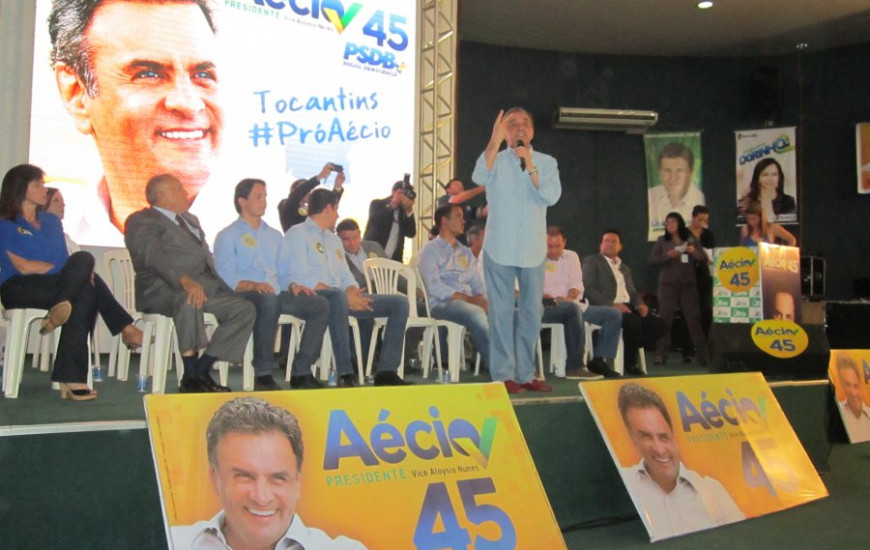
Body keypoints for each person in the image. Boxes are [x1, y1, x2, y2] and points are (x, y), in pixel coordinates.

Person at [48, 0, 222, 245]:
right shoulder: (55, 227)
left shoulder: (225, 230)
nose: (189, 104)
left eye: (202, 75)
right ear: (76, 93)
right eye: (149, 74)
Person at [0, 164, 142, 401]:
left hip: (54, 285)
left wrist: (68, 272)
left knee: (83, 262)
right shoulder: (5, 224)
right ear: (19, 189)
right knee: (83, 286)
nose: (43, 189)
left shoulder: (51, 221)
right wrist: (68, 273)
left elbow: (64, 261)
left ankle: (61, 308)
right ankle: (73, 375)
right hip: (19, 287)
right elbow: (24, 266)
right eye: (37, 184)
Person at [171, 396, 367, 550]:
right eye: (245, 476)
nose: (261, 497)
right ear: (215, 478)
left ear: (297, 483)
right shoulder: (172, 542)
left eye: (278, 478)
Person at [125, 174, 255, 393]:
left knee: (244, 309)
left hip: (203, 286)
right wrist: (184, 281)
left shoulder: (190, 219)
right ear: (162, 196)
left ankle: (199, 370)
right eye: (178, 189)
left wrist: (223, 286)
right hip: (161, 288)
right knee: (188, 299)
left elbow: (205, 258)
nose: (185, 193)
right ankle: (191, 374)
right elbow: (153, 256)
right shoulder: (142, 220)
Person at [278, 189, 412, 386]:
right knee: (336, 297)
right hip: (315, 297)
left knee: (399, 303)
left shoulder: (333, 240)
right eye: (336, 209)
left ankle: (386, 371)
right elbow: (302, 277)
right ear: (328, 208)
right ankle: (346, 372)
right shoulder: (297, 234)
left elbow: (345, 274)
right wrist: (343, 295)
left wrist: (350, 289)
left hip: (341, 297)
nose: (338, 214)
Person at [472, 107, 561, 394]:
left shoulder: (547, 162)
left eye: (525, 123)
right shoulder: (495, 160)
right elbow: (478, 176)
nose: (520, 128)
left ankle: (526, 373)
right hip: (499, 248)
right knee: (500, 312)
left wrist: (530, 165)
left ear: (533, 131)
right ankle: (503, 374)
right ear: (505, 131)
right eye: (512, 124)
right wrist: (494, 139)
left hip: (533, 249)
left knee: (531, 314)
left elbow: (551, 195)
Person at [214, 179, 330, 391]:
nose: (264, 201)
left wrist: (293, 285)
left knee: (319, 304)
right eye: (258, 196)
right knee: (268, 301)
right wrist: (252, 285)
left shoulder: (275, 236)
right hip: (243, 295)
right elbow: (224, 276)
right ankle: (263, 372)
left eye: (265, 196)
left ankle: (301, 370)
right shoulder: (227, 235)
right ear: (242, 201)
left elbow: (284, 272)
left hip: (275, 293)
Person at [617, 383, 745, 541]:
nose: (659, 449)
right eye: (646, 437)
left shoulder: (712, 490)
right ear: (632, 438)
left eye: (663, 436)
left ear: (673, 435)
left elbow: (744, 540)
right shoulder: (624, 485)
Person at [542, 227, 624, 379]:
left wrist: (569, 297)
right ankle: (575, 366)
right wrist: (548, 298)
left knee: (613, 314)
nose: (553, 250)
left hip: (573, 304)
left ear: (564, 242)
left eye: (557, 246)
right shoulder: (534, 258)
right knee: (572, 309)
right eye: (549, 246)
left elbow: (577, 285)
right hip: (546, 306)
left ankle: (599, 360)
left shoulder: (572, 256)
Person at [583, 229, 667, 374]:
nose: (609, 244)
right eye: (606, 241)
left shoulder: (625, 268)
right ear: (600, 245)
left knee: (660, 325)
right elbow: (588, 288)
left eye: (613, 241)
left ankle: (628, 347)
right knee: (633, 323)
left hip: (628, 306)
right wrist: (611, 304)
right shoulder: (592, 262)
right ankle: (630, 364)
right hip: (607, 307)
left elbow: (633, 292)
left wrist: (640, 303)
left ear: (620, 246)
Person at [418, 204, 490, 372]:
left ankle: (516, 365)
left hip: (468, 301)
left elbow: (475, 280)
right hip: (442, 303)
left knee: (505, 313)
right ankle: (499, 367)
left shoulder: (465, 251)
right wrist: (470, 299)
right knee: (476, 313)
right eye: (458, 216)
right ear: (444, 221)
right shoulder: (430, 250)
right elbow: (434, 286)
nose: (463, 221)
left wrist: (480, 296)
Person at [649, 213, 708, 366]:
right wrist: (667, 255)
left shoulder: (690, 239)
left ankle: (702, 355)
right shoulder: (662, 241)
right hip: (667, 285)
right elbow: (652, 260)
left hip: (688, 285)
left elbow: (702, 257)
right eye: (667, 222)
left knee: (693, 319)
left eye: (673, 221)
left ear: (680, 223)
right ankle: (660, 354)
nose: (670, 225)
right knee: (665, 319)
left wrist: (692, 251)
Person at [648, 143, 705, 235]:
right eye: (667, 170)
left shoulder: (701, 200)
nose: (673, 177)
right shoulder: (650, 196)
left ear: (691, 173)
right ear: (659, 173)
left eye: (680, 170)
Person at [278, 163, 345, 232]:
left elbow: (328, 207)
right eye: (305, 189)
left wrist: (337, 186)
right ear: (293, 190)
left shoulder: (312, 210)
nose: (308, 192)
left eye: (310, 190)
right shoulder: (286, 205)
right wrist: (320, 176)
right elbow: (297, 195)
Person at [363, 180, 417, 262]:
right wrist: (392, 205)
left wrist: (409, 210)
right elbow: (375, 222)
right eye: (400, 193)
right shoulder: (378, 204)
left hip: (393, 261)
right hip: (373, 256)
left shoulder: (403, 212)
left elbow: (411, 233)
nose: (403, 196)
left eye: (405, 194)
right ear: (393, 192)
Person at [686, 205, 715, 360]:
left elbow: (711, 255)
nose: (702, 223)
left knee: (706, 311)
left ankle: (706, 347)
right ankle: (688, 349)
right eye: (700, 219)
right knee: (690, 314)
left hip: (704, 276)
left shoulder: (708, 234)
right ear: (693, 217)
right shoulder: (683, 233)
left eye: (705, 220)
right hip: (687, 276)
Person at [738, 158, 796, 222]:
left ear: (779, 177)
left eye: (774, 174)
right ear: (758, 178)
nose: (770, 179)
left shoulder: (788, 201)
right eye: (765, 175)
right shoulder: (746, 201)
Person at [336, 218, 387, 289]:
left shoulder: (374, 247)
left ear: (360, 234)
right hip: (361, 295)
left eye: (355, 237)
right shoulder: (337, 258)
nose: (352, 243)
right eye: (346, 239)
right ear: (338, 239)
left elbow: (393, 273)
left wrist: (408, 287)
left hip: (385, 291)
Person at [835, 355, 870, 442]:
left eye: (855, 386)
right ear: (842, 385)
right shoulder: (836, 415)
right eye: (848, 385)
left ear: (860, 384)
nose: (853, 393)